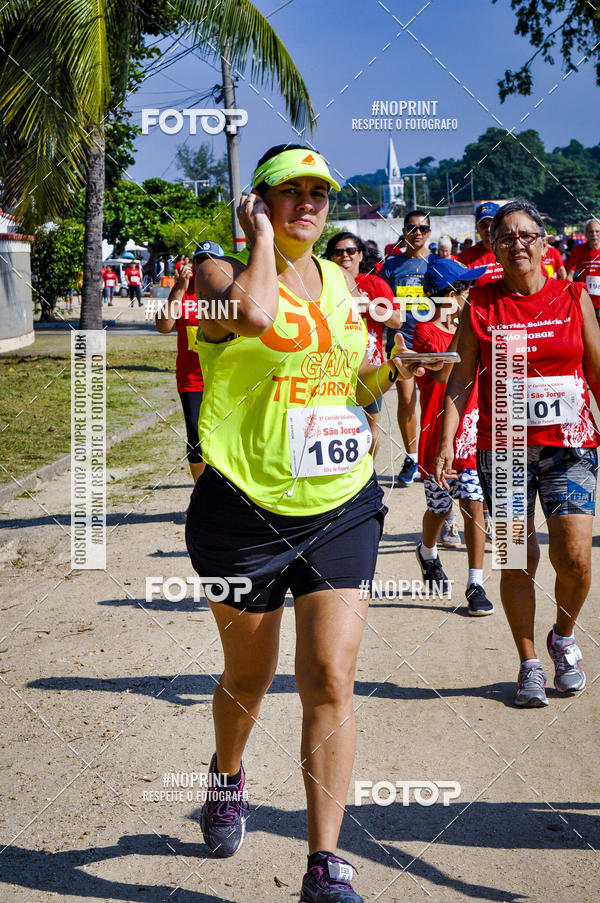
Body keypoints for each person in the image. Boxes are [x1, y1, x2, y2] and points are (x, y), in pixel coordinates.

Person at [186, 143, 439, 903]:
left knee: (329, 674)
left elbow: (349, 380)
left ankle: (324, 861)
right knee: (249, 677)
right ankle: (228, 775)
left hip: (340, 503)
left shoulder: (342, 281)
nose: (308, 204)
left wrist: (392, 370)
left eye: (318, 193)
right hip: (244, 512)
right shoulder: (218, 275)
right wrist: (258, 239)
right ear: (258, 202)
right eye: (288, 193)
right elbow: (258, 316)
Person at [435, 198, 600, 707]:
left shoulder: (573, 297)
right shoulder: (482, 302)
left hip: (569, 446)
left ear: (544, 242)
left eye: (526, 235)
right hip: (502, 448)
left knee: (573, 558)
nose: (517, 244)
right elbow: (462, 377)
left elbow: (596, 368)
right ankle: (529, 662)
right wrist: (446, 439)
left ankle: (564, 638)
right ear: (493, 246)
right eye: (506, 237)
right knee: (516, 559)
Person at [413, 256, 494, 616]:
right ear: (450, 294)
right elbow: (446, 378)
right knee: (439, 509)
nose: (473, 293)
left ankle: (475, 583)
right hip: (437, 437)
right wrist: (463, 333)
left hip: (473, 432)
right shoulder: (426, 331)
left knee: (475, 505)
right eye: (466, 288)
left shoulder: (477, 324)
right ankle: (427, 552)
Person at [324, 231, 403, 455]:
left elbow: (397, 320)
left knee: (369, 429)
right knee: (334, 427)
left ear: (360, 255)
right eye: (337, 252)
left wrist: (366, 305)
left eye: (350, 250)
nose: (344, 256)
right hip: (332, 368)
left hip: (369, 368)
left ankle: (367, 475)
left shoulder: (376, 284)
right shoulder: (321, 284)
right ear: (330, 257)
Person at [154, 243, 224, 481]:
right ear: (192, 265)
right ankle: (202, 492)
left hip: (224, 376)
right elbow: (163, 326)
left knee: (225, 435)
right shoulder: (184, 290)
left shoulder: (228, 289)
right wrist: (180, 288)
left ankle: (230, 494)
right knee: (196, 436)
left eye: (211, 259)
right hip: (192, 377)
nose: (204, 264)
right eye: (200, 260)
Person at [380, 210, 431, 485]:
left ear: (429, 232)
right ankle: (412, 458)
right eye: (412, 228)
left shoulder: (437, 264)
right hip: (402, 342)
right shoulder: (391, 267)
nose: (417, 233)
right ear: (404, 232)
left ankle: (431, 457)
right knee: (407, 401)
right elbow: (382, 303)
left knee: (434, 403)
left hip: (432, 344)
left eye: (422, 228)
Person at [458, 202, 504, 284]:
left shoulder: (511, 252)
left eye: (493, 224)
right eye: (483, 225)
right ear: (477, 228)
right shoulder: (465, 258)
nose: (489, 229)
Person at [567, 218, 600, 324]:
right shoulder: (578, 250)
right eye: (590, 232)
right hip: (586, 300)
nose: (594, 234)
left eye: (597, 231)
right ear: (586, 234)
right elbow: (570, 273)